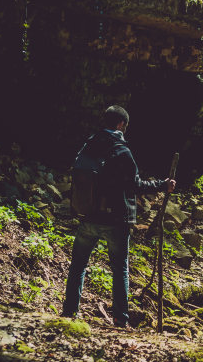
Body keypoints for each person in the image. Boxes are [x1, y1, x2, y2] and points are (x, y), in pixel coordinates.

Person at [62, 105, 176, 328]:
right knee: (120, 269)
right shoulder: (122, 150)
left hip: (88, 216)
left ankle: (69, 312)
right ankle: (120, 320)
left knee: (78, 265)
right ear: (121, 125)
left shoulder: (90, 144)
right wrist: (163, 185)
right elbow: (135, 185)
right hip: (116, 220)